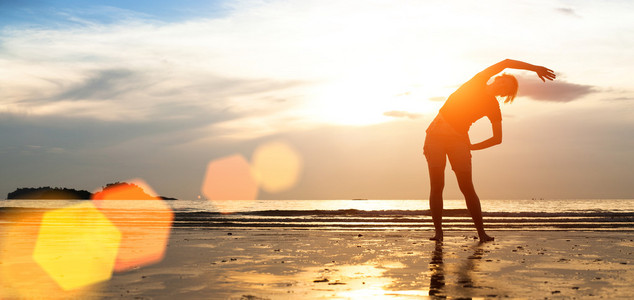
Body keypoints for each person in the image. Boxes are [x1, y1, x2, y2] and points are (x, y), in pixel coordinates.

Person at [423, 59, 555, 242]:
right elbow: (506, 62)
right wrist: (534, 68)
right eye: (503, 81)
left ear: (505, 93)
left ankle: (482, 233)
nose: (502, 86)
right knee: (437, 186)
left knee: (467, 187)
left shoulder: (493, 106)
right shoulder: (477, 82)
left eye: (506, 88)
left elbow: (497, 138)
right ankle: (438, 233)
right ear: (497, 78)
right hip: (435, 137)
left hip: (459, 141)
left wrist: (471, 146)